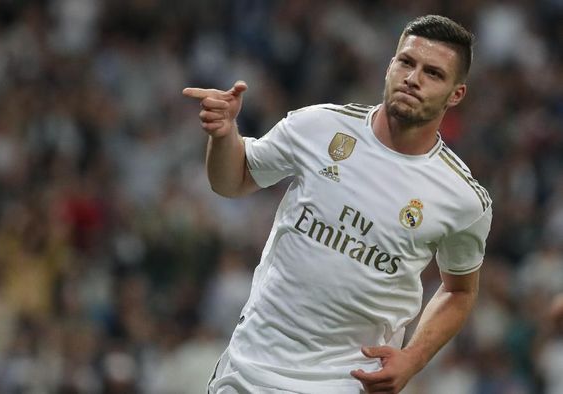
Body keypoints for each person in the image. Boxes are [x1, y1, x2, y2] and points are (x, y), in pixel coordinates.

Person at [183, 15, 492, 394]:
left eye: (433, 73)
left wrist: (414, 358)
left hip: (347, 383)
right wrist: (224, 134)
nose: (413, 78)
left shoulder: (462, 198)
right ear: (389, 66)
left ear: (455, 94)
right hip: (249, 369)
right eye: (406, 63)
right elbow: (232, 181)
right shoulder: (319, 127)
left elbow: (459, 291)